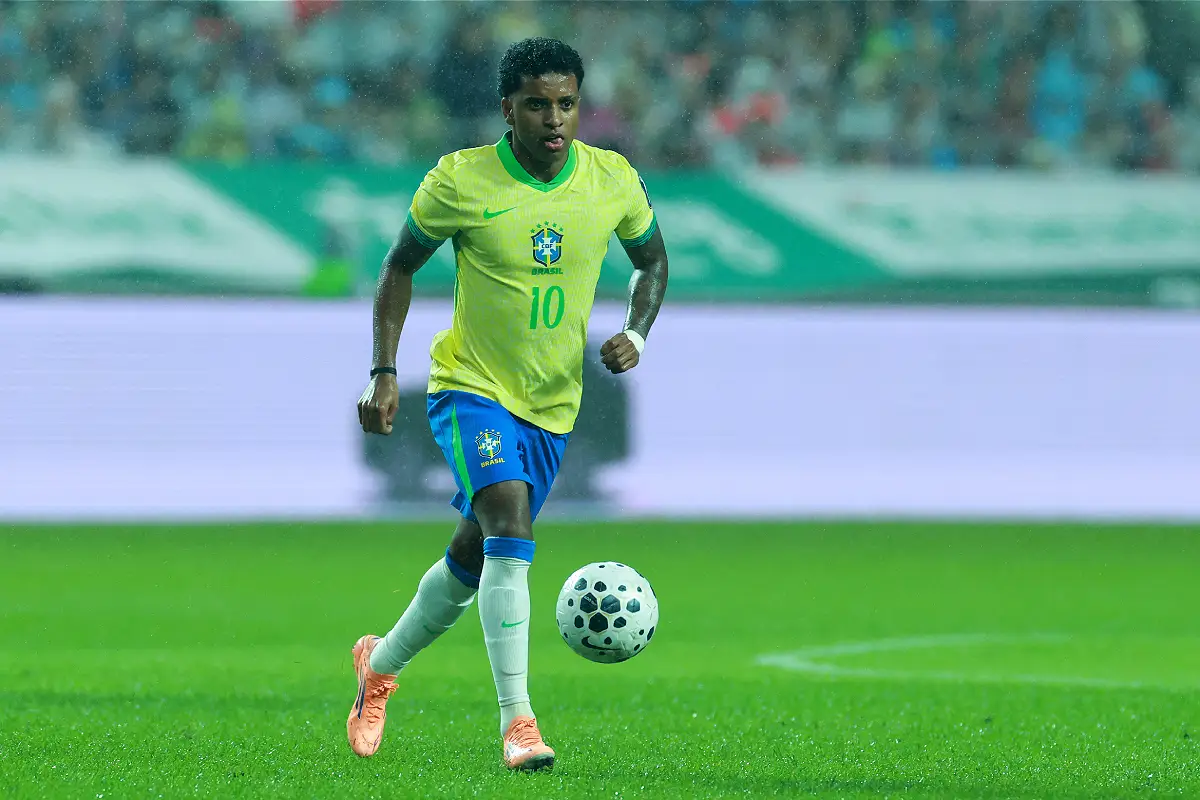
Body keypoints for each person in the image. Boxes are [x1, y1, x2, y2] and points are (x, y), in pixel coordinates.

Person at [349, 37, 669, 772]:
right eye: (536, 104)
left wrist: (637, 334)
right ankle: (518, 724)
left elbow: (651, 260)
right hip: (471, 387)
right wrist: (384, 370)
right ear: (507, 108)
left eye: (565, 103)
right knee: (508, 523)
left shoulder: (612, 179)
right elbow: (399, 266)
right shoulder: (460, 180)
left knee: (476, 553)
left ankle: (380, 664)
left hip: (553, 405)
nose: (553, 118)